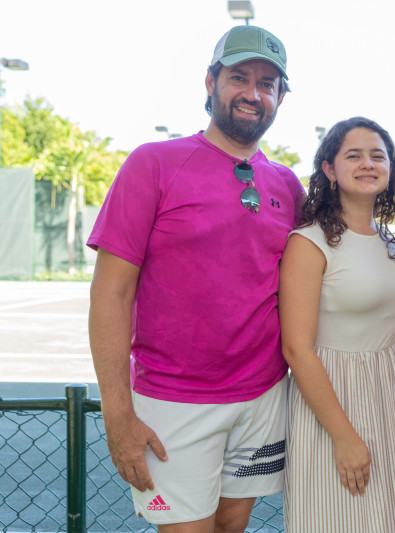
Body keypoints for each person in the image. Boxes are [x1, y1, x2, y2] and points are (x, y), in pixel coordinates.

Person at [87, 25, 305, 532]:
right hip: (174, 402)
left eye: (268, 84)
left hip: (262, 398)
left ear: (280, 97)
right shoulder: (153, 164)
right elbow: (111, 294)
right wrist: (118, 416)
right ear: (210, 82)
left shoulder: (287, 185)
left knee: (232, 527)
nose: (253, 93)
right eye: (239, 78)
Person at [279, 117, 395, 532]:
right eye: (354, 155)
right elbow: (296, 348)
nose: (368, 164)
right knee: (336, 517)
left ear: (391, 167)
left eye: (377, 155)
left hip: (390, 391)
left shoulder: (389, 240)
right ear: (329, 169)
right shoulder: (309, 243)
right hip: (331, 396)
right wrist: (343, 436)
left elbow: (393, 330)